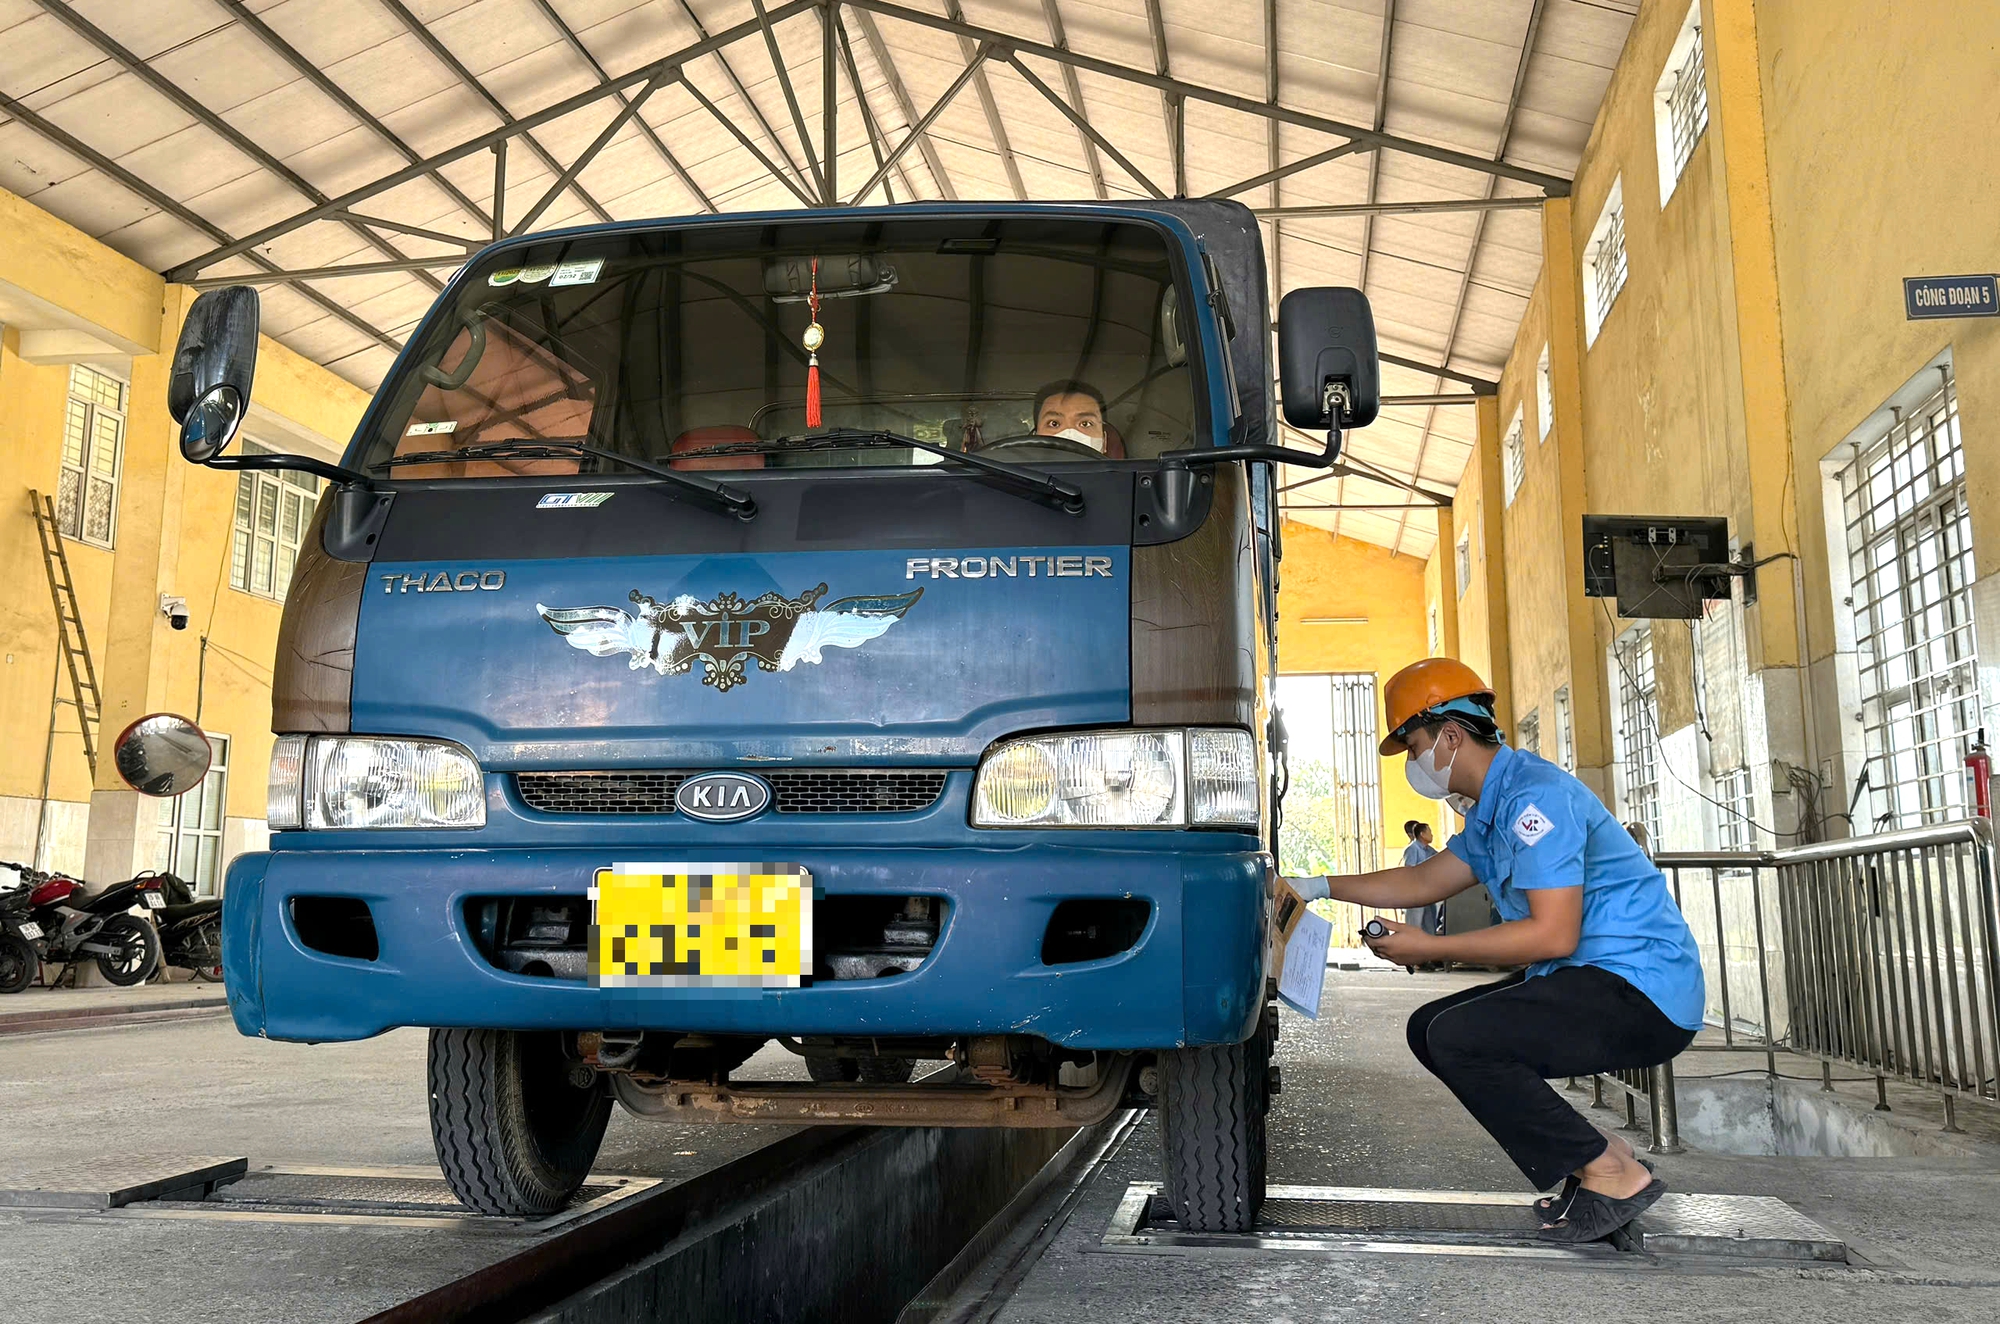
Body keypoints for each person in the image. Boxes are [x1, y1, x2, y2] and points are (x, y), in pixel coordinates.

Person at [1287, 658, 1704, 1243]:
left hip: (1641, 992)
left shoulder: (1537, 799)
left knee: (1459, 1038)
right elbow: (1426, 881)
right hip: (1590, 980)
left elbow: (1551, 935)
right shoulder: (1491, 808)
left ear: (1451, 736)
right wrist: (1317, 887)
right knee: (1430, 1025)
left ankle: (1611, 1173)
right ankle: (1603, 1153)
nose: (1412, 763)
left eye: (1413, 746)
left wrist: (1431, 947)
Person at [1398, 821, 1442, 935]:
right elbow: (1409, 871)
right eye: (1429, 832)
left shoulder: (1429, 850)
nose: (1432, 835)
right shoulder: (1412, 849)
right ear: (1422, 834)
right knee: (1415, 926)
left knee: (1430, 924)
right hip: (1415, 894)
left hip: (1428, 893)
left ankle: (1429, 950)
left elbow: (1441, 860)